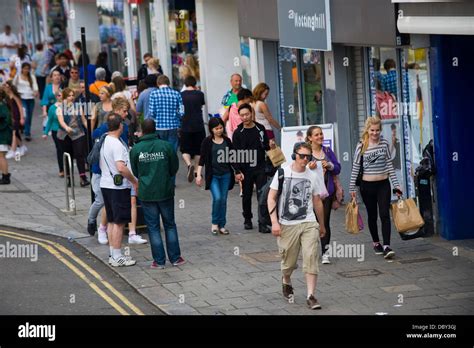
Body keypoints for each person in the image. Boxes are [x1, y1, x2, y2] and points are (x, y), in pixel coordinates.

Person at [267, 141, 327, 310]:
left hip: (308, 222)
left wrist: (321, 225)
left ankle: (311, 295)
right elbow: (271, 197)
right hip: (287, 224)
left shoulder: (312, 175)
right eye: (302, 156)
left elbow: (317, 202)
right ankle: (286, 280)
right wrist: (274, 222)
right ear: (294, 155)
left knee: (311, 256)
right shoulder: (282, 172)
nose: (305, 159)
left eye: (308, 156)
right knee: (289, 263)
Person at [130, 119, 186, 269]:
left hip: (147, 193)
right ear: (155, 129)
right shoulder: (166, 146)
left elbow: (135, 171)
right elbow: (174, 167)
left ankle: (159, 261)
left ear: (142, 130)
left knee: (153, 227)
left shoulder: (136, 149)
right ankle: (175, 258)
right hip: (165, 191)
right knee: (170, 225)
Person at [349, 117, 402, 259]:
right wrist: (352, 188)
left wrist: (396, 185)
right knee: (372, 215)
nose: (375, 133)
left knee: (384, 214)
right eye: (372, 130)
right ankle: (376, 242)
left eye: (377, 130)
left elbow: (390, 165)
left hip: (383, 184)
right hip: (367, 186)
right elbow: (355, 167)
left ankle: (387, 246)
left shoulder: (384, 143)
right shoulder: (361, 145)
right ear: (367, 130)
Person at [100, 113, 138, 267]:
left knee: (111, 220)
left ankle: (112, 253)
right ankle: (117, 256)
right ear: (120, 126)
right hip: (118, 187)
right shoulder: (116, 143)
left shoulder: (105, 140)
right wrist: (134, 180)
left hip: (106, 184)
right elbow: (121, 168)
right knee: (119, 222)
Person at [232, 103, 274, 233]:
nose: (245, 117)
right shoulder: (238, 132)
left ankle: (262, 223)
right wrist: (237, 171)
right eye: (242, 115)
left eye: (247, 114)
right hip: (246, 169)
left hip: (260, 167)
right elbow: (234, 153)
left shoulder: (260, 128)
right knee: (247, 195)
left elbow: (266, 146)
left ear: (251, 113)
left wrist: (270, 145)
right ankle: (247, 219)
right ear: (239, 116)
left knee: (262, 196)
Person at [196, 117, 238, 235]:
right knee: (218, 198)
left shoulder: (227, 141)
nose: (219, 130)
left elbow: (232, 157)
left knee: (223, 200)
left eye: (221, 128)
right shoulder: (207, 142)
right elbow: (202, 159)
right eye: (216, 128)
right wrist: (198, 175)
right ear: (211, 129)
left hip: (226, 174)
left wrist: (237, 171)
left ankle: (222, 225)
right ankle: (215, 223)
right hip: (213, 175)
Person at [306, 126, 340, 264]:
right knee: (311, 224)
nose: (320, 137)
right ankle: (312, 251)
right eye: (316, 135)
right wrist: (309, 166)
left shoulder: (327, 151)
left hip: (326, 193)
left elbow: (338, 168)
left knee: (324, 222)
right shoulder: (306, 152)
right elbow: (299, 168)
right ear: (310, 138)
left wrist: (329, 165)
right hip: (310, 194)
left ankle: (325, 252)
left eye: (321, 134)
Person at [56, 88, 90, 187]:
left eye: (72, 95)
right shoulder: (60, 108)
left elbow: (83, 120)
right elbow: (61, 121)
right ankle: (69, 178)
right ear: (64, 97)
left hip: (78, 133)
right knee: (68, 156)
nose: (71, 97)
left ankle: (83, 177)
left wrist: (89, 130)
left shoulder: (78, 107)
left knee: (79, 154)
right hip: (64, 135)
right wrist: (66, 128)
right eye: (69, 96)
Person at [148, 74, 184, 153]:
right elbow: (182, 112)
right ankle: (172, 163)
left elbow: (151, 112)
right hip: (173, 126)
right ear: (168, 83)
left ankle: (164, 164)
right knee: (172, 149)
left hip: (159, 126)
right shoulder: (176, 94)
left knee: (161, 150)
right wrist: (176, 117)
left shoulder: (153, 94)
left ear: (158, 83)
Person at [180, 76, 205, 182]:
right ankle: (196, 172)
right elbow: (202, 106)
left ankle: (189, 164)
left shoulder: (181, 95)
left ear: (185, 84)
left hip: (185, 125)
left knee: (185, 149)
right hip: (198, 125)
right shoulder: (200, 94)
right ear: (195, 83)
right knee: (198, 150)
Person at [13, 62, 38, 141]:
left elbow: (35, 86)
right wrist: (16, 94)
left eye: (28, 69)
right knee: (26, 115)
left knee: (29, 116)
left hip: (30, 98)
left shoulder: (32, 77)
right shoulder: (18, 76)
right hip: (22, 98)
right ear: (22, 69)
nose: (26, 70)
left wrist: (35, 91)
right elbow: (13, 86)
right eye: (25, 68)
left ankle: (26, 129)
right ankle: (27, 133)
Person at [42, 90, 64, 177]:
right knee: (59, 149)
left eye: (62, 95)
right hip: (56, 131)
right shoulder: (52, 108)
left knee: (66, 149)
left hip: (65, 131)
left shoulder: (67, 106)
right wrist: (45, 132)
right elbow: (49, 121)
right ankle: (61, 169)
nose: (60, 97)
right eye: (58, 95)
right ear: (56, 97)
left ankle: (67, 167)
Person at [3, 81, 25, 159]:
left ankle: (13, 150)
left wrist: (22, 118)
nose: (5, 88)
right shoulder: (6, 96)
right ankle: (22, 147)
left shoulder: (14, 96)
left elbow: (20, 107)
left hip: (16, 117)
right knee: (16, 134)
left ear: (10, 87)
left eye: (6, 87)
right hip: (10, 117)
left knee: (14, 133)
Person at [0, 88, 13, 184]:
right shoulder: (3, 105)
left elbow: (6, 121)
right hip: (3, 134)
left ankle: (5, 176)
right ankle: (5, 174)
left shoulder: (2, 106)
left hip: (2, 135)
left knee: (1, 156)